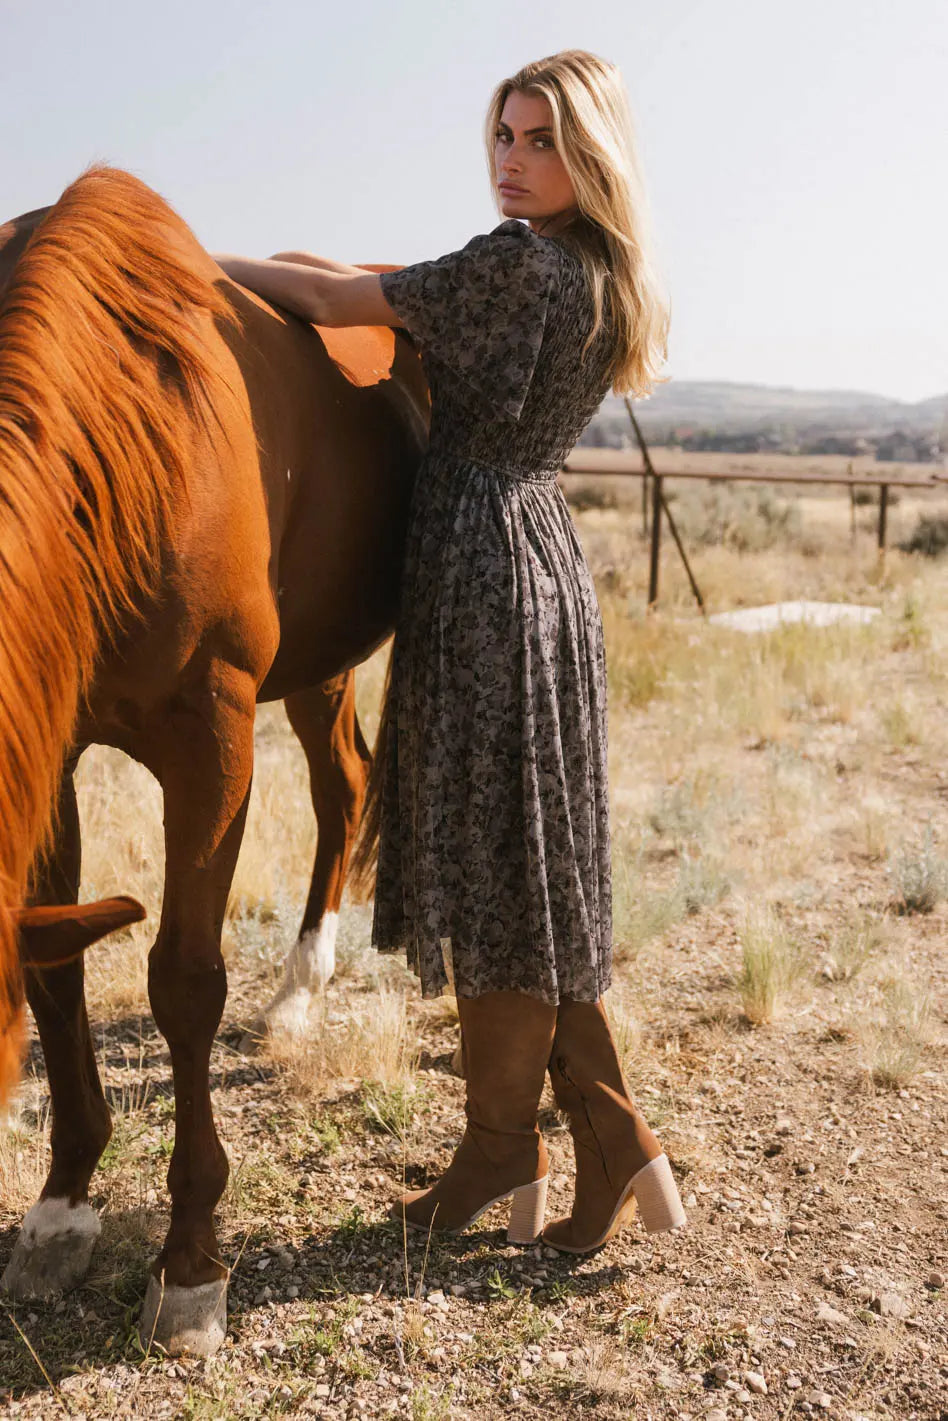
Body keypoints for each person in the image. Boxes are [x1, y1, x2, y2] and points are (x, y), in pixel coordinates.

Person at [213, 48, 687, 1254]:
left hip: (478, 569)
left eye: (541, 140)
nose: (512, 162)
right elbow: (373, 290)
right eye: (503, 137)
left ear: (591, 153)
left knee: (493, 865)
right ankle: (571, 1139)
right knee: (527, 866)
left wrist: (198, 263)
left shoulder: (513, 266)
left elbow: (333, 300)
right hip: (543, 558)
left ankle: (534, 1140)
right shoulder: (603, 276)